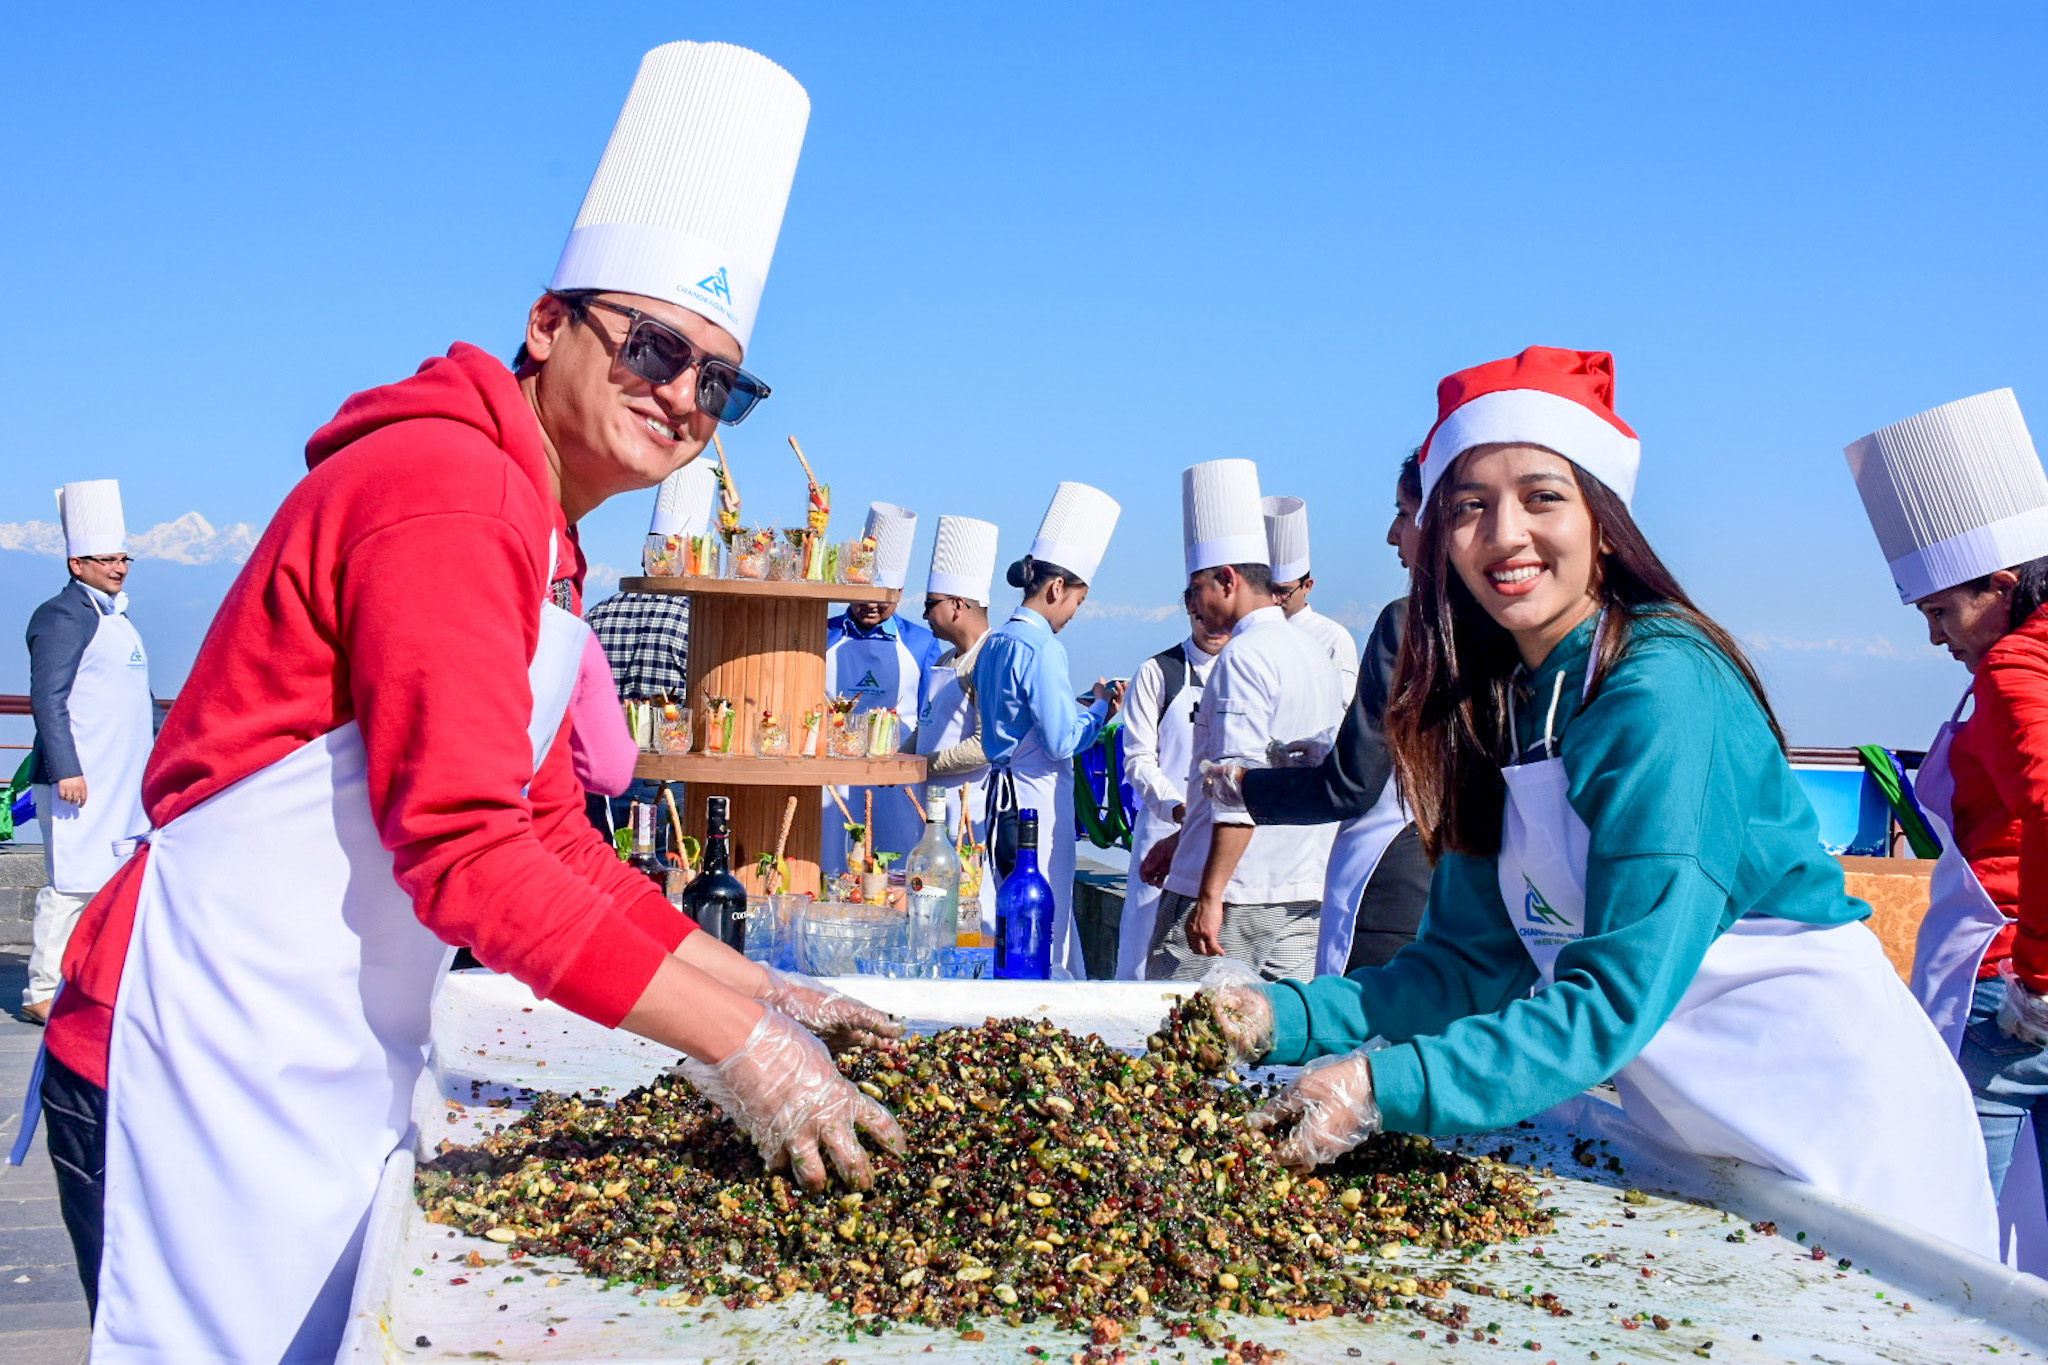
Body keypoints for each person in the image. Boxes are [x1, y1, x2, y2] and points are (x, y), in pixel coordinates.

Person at [38, 43, 904, 1360]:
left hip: (309, 1042)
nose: (681, 394)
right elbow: (463, 846)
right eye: (655, 344)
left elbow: (551, 830)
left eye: (718, 378)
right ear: (549, 324)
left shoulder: (542, 531)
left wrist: (760, 987)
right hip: (192, 1041)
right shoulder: (447, 487)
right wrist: (744, 1050)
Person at [1194, 346, 1997, 1258]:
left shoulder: (1661, 690)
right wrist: (1280, 1019)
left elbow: (1610, 999)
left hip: (1839, 1130)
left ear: (1604, 523)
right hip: (1700, 1136)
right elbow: (1463, 968)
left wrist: (1378, 1086)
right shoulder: (1496, 702)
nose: (1504, 535)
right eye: (1468, 505)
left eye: (1542, 497)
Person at [1844, 388, 2048, 1257]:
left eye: (1940, 612)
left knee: (1946, 1235)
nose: (1936, 638)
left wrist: (2037, 976)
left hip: (2006, 993)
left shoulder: (2012, 669)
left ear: (2000, 585)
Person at [1224, 457, 1431, 973]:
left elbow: (1353, 785)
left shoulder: (1407, 624)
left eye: (1404, 515)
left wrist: (1243, 785)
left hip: (1391, 881)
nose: (1392, 536)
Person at [1146, 459, 1344, 982]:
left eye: (1197, 589)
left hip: (1235, 892)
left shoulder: (1242, 656)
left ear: (1227, 580)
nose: (1196, 605)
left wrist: (1210, 894)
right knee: (1278, 1046)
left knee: (1175, 1038)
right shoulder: (1311, 651)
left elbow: (1237, 786)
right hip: (1304, 886)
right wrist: (1180, 837)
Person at [975, 481, 1122, 980]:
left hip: (1001, 797)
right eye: (1077, 603)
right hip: (1038, 797)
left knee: (1009, 914)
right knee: (1044, 922)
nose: (1073, 616)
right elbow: (1061, 740)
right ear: (1058, 589)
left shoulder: (996, 643)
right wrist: (1100, 708)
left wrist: (1079, 705)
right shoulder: (1042, 647)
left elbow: (1020, 714)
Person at [21, 482, 155, 1026]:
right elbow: (46, 697)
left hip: (121, 777)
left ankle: (91, 976)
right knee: (71, 881)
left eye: (125, 557)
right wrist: (68, 770)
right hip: (79, 779)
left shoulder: (117, 617)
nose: (120, 567)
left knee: (109, 879)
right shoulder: (62, 615)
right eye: (108, 558)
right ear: (78, 563)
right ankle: (41, 989)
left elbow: (137, 701)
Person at [823, 502, 943, 873]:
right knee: (834, 870)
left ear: (900, 591)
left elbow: (931, 718)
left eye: (884, 593)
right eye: (864, 591)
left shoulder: (923, 644)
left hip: (898, 784)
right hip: (833, 782)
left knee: (900, 877)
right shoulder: (820, 634)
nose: (871, 604)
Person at [1113, 590, 1227, 978]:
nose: (1211, 628)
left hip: (1226, 836)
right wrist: (1178, 808)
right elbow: (1138, 758)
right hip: (1163, 832)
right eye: (1202, 618)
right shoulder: (1159, 671)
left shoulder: (1245, 672)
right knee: (1143, 951)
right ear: (1189, 609)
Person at [916, 514, 1001, 940]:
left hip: (967, 810)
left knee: (965, 909)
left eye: (931, 603)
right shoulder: (949, 659)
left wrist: (917, 766)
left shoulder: (989, 658)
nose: (926, 614)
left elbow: (985, 745)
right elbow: (930, 726)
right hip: (932, 806)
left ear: (957, 605)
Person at [1262, 495, 1360, 699]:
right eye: (1267, 590)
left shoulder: (1332, 638)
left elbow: (1344, 706)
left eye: (1283, 591)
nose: (1274, 599)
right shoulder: (1253, 634)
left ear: (1307, 586)